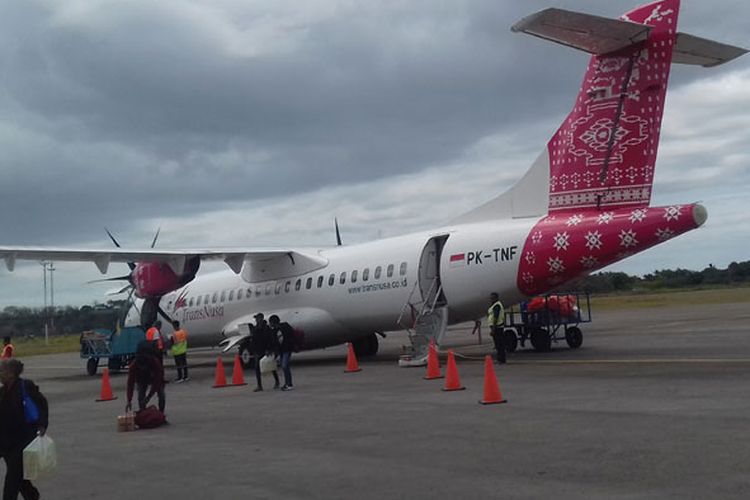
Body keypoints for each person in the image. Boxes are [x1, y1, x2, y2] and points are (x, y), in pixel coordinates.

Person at [0, 358, 48, 500]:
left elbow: (42, 403)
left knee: (12, 478)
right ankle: (31, 495)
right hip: (6, 441)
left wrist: (42, 424)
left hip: (23, 439)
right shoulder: (2, 392)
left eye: (1, 370)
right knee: (18, 475)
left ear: (11, 373)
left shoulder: (26, 386)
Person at [126, 341, 166, 414]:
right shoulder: (134, 365)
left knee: (161, 394)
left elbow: (157, 382)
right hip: (141, 378)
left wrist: (149, 397)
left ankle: (161, 413)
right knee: (141, 394)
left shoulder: (155, 362)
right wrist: (129, 400)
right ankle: (143, 413)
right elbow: (130, 383)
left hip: (153, 376)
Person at [250, 313, 280, 392]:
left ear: (261, 318)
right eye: (256, 318)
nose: (256, 320)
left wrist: (269, 349)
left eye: (257, 318)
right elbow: (253, 340)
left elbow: (270, 339)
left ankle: (277, 381)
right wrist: (253, 350)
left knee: (270, 366)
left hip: (266, 350)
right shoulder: (255, 328)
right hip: (258, 350)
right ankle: (259, 385)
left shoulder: (267, 328)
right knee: (257, 367)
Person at [269, 315, 295, 391]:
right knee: (284, 366)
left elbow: (290, 335)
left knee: (284, 366)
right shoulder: (274, 330)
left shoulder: (284, 327)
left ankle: (289, 384)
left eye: (270, 322)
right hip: (281, 350)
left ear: (273, 322)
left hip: (287, 349)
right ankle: (287, 383)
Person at [488, 292, 506, 364]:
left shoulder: (497, 306)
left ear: (496, 298)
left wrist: (493, 329)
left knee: (499, 344)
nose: (491, 299)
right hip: (497, 327)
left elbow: (496, 317)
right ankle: (500, 359)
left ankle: (501, 359)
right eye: (491, 298)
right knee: (498, 344)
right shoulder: (495, 305)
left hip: (498, 327)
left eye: (493, 298)